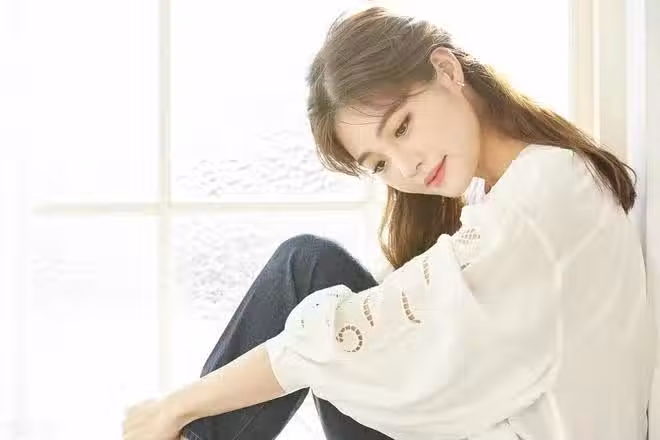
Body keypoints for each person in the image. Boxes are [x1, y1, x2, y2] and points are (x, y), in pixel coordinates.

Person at [122, 6, 656, 440]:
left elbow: (343, 336)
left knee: (305, 269)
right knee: (312, 279)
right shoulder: (509, 193)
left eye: (401, 127)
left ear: (447, 70)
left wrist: (175, 407)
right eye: (378, 164)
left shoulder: (542, 194)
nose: (406, 167)